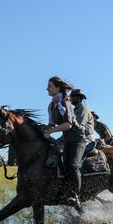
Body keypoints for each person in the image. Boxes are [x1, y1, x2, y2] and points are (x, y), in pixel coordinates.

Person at [43, 76, 85, 214]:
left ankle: (76, 196)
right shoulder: (51, 105)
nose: (47, 89)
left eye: (49, 86)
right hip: (67, 140)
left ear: (58, 88)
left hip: (77, 138)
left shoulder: (64, 102)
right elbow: (51, 123)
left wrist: (51, 131)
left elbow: (68, 124)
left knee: (72, 165)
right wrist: (44, 129)